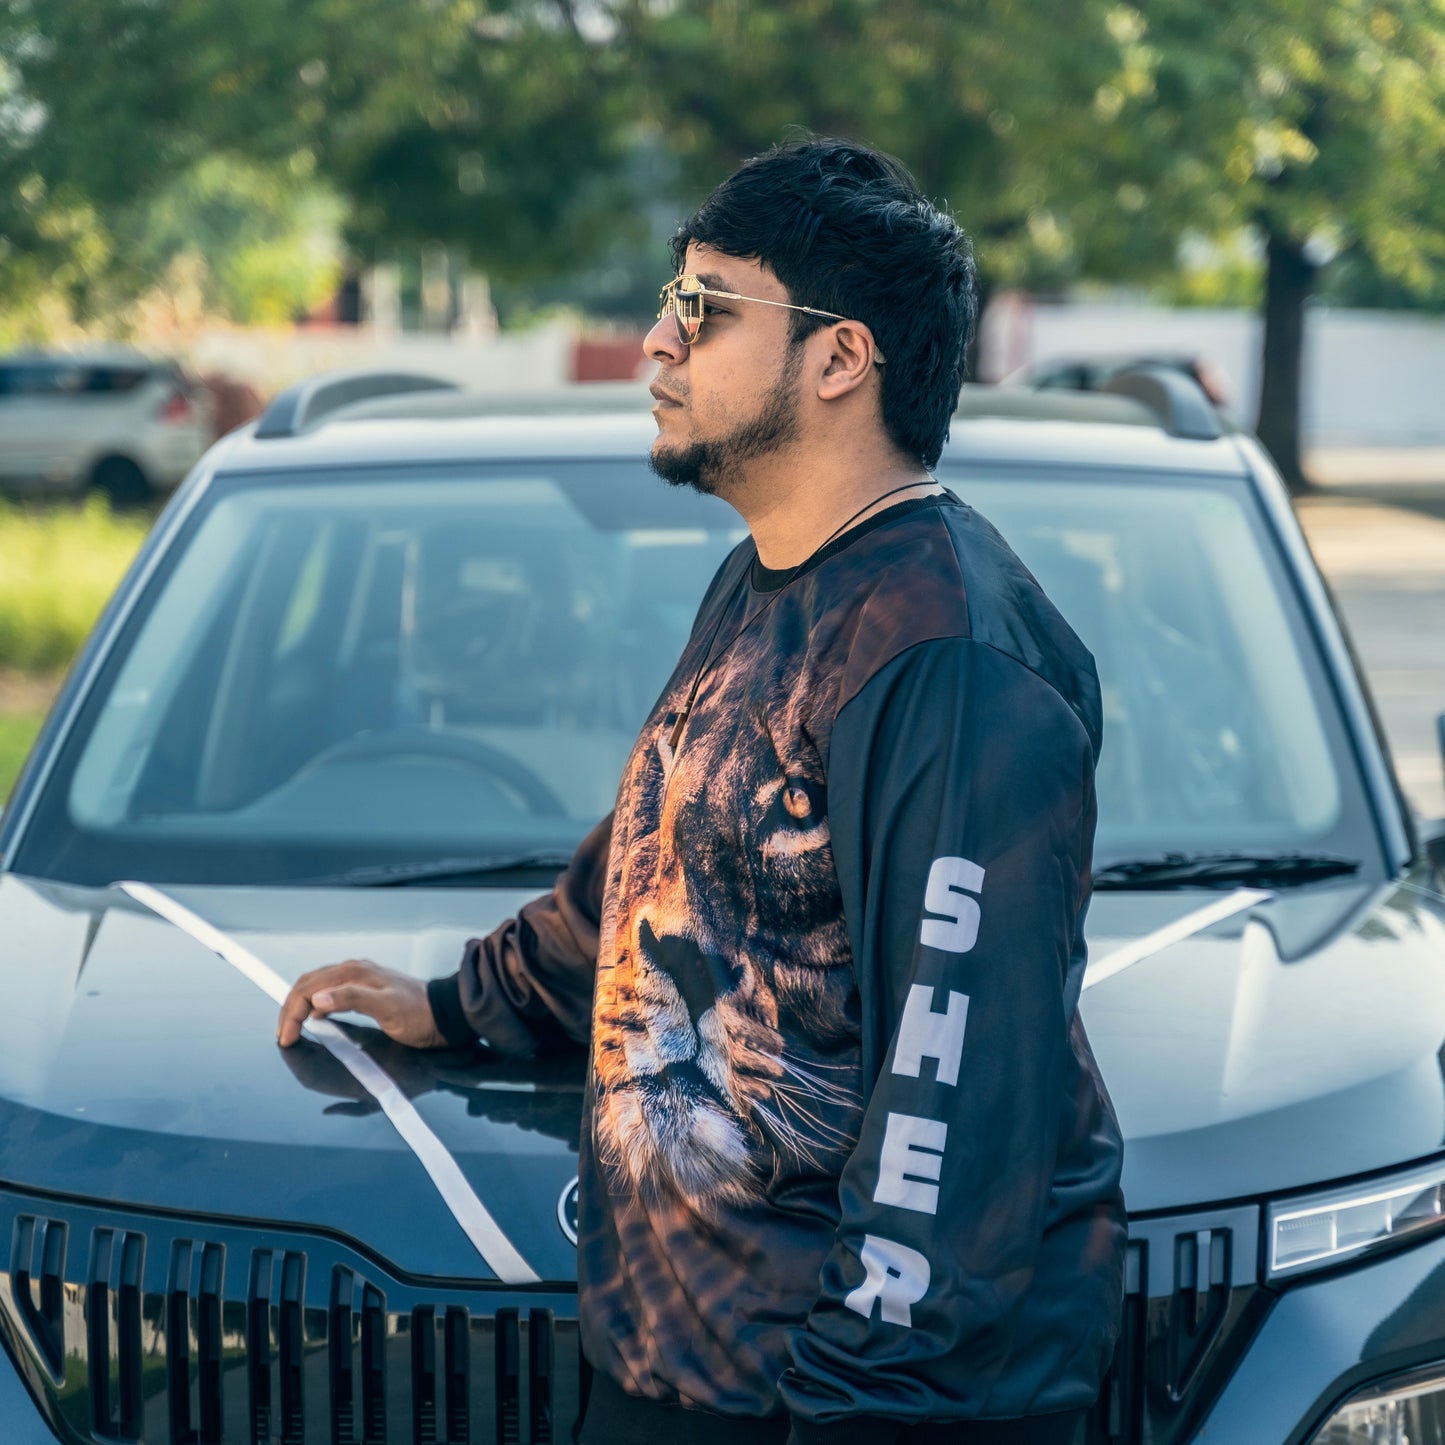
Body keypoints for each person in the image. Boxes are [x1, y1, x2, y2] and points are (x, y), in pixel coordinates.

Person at [278, 136, 1126, 1445]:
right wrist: (455, 1001)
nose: (656, 345)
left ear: (839, 357)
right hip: (679, 1378)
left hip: (833, 1411)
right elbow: (659, 863)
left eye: (704, 307)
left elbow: (952, 1108)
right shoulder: (765, 580)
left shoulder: (946, 655)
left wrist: (850, 1407)